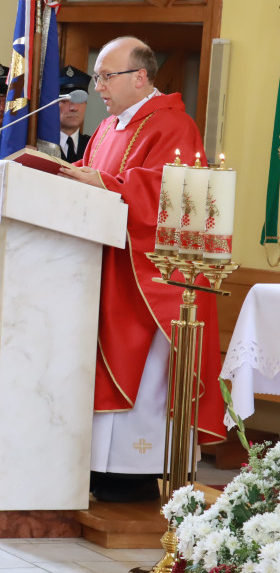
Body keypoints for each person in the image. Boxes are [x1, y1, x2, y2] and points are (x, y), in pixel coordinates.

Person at [59, 36, 224, 502]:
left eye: (106, 76)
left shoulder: (173, 125)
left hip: (151, 281)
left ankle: (135, 472)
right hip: (108, 268)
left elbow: (176, 199)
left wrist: (105, 183)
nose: (98, 87)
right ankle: (96, 467)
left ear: (140, 77)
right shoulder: (110, 127)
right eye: (97, 77)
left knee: (145, 374)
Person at [58, 65, 91, 162]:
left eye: (80, 100)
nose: (74, 108)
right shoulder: (38, 146)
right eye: (65, 100)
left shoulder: (95, 146)